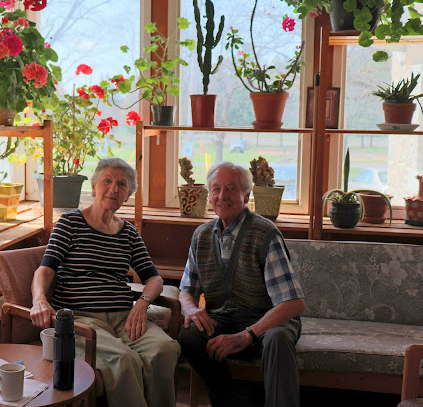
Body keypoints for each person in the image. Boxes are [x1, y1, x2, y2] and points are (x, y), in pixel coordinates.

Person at [30, 158, 181, 407]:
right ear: (93, 186)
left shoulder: (129, 233)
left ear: (128, 194)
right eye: (107, 181)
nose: (113, 188)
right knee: (124, 359)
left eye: (122, 184)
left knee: (164, 350)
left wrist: (142, 303)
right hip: (80, 318)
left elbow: (154, 279)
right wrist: (39, 300)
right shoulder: (70, 223)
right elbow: (45, 270)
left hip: (125, 317)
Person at [178, 162, 306, 407]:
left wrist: (247, 335)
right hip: (225, 318)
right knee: (190, 335)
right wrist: (190, 309)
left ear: (246, 195)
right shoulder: (201, 235)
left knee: (278, 339)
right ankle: (232, 401)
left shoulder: (264, 233)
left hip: (269, 319)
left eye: (230, 189)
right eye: (215, 189)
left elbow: (293, 303)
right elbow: (186, 290)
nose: (222, 196)